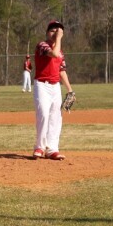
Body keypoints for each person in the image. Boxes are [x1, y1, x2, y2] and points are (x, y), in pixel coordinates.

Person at [32, 21, 74, 161]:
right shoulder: (42, 45)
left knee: (56, 117)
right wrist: (58, 38)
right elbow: (54, 54)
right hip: (42, 84)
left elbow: (61, 71)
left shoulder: (61, 51)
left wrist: (69, 90)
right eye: (52, 30)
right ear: (47, 32)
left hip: (55, 86)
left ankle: (52, 149)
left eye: (58, 30)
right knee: (43, 113)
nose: (55, 32)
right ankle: (39, 147)